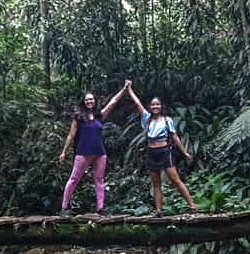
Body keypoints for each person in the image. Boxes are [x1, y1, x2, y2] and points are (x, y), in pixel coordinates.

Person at [126, 80, 197, 216]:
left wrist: (185, 153)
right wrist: (129, 89)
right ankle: (158, 211)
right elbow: (137, 103)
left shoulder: (167, 120)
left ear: (161, 106)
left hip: (164, 151)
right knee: (156, 184)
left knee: (175, 180)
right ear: (150, 107)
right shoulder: (147, 119)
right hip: (151, 152)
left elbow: (175, 137)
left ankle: (192, 205)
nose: (155, 106)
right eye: (153, 104)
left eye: (157, 104)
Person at [59, 82, 129, 216]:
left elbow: (112, 103)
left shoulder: (99, 116)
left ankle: (100, 208)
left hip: (99, 152)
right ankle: (64, 208)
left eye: (91, 99)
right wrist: (64, 152)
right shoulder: (78, 117)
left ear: (94, 101)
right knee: (74, 179)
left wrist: (124, 90)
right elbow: (71, 135)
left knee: (99, 180)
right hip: (83, 152)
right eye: (87, 100)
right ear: (83, 102)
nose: (89, 101)